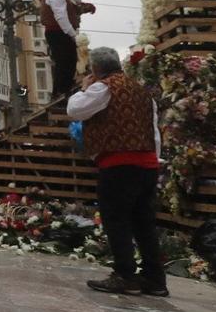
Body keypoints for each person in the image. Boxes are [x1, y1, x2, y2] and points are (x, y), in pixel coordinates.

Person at [69, 47, 168, 297]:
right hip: (148, 163)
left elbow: (75, 110)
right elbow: (153, 130)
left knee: (117, 220)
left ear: (95, 68)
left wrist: (84, 88)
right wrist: (156, 161)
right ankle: (154, 279)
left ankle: (125, 275)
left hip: (119, 164)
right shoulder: (142, 91)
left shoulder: (103, 87)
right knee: (144, 222)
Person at [41, 0, 93, 97]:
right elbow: (61, 17)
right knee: (65, 62)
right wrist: (73, 35)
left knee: (67, 61)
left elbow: (73, 8)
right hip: (58, 33)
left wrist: (85, 7)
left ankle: (63, 90)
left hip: (59, 32)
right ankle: (61, 91)